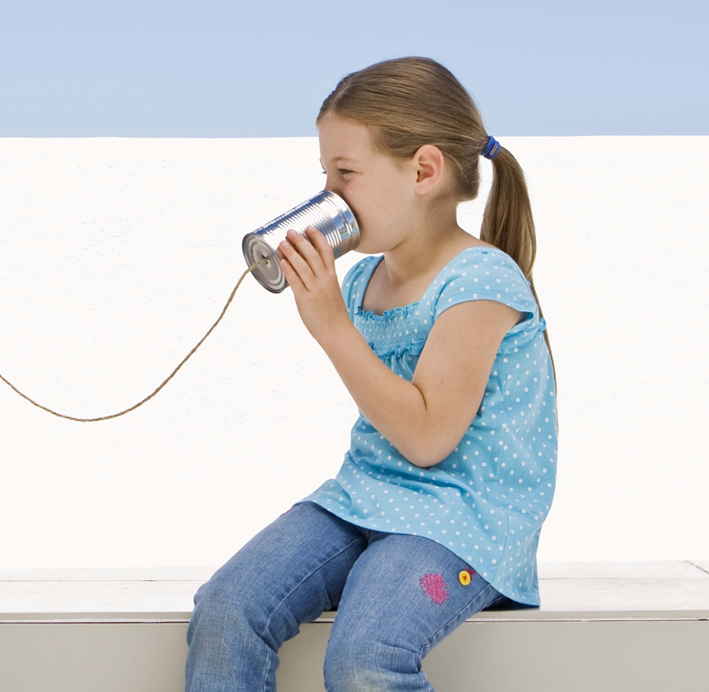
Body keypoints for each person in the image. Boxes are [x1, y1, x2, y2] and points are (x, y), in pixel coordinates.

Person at [186, 57, 556, 691]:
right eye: (325, 175)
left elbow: (428, 438)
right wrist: (335, 313)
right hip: (364, 498)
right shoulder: (362, 280)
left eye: (346, 173)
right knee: (227, 607)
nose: (329, 195)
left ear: (424, 171)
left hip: (462, 520)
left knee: (365, 655)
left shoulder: (481, 280)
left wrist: (332, 327)